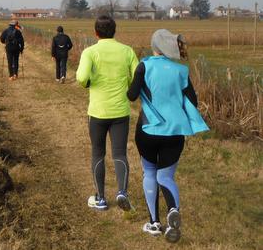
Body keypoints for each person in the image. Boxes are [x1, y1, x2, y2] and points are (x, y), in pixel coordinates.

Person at [127, 29, 208, 243]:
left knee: (149, 173)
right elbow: (193, 102)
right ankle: (173, 209)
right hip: (174, 133)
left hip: (148, 131)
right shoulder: (181, 71)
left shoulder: (144, 66)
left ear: (154, 46)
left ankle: (154, 223)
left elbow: (132, 95)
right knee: (166, 177)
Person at [76, 15, 139, 212]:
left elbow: (82, 77)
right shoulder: (127, 51)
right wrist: (128, 88)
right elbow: (137, 76)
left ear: (96, 33)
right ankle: (122, 192)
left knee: (98, 154)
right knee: (120, 153)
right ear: (114, 31)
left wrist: (87, 83)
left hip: (98, 112)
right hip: (120, 111)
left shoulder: (90, 52)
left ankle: (101, 198)